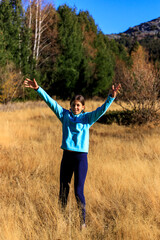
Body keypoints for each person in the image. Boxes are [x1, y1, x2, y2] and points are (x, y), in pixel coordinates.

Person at [24, 78, 121, 229]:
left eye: (78, 105)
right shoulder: (64, 116)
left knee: (78, 191)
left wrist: (111, 98)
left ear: (83, 107)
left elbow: (101, 110)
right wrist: (38, 89)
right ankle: (60, 219)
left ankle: (82, 222)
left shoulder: (87, 118)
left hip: (80, 158)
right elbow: (50, 102)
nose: (75, 107)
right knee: (63, 189)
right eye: (73, 105)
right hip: (67, 157)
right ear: (70, 106)